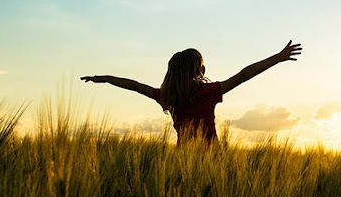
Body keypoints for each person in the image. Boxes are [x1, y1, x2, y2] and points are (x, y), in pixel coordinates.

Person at [80, 40, 302, 144]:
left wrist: (104, 79)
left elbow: (135, 85)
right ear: (200, 70)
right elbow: (244, 75)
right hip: (213, 163)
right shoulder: (208, 92)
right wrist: (278, 57)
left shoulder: (166, 97)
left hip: (183, 161)